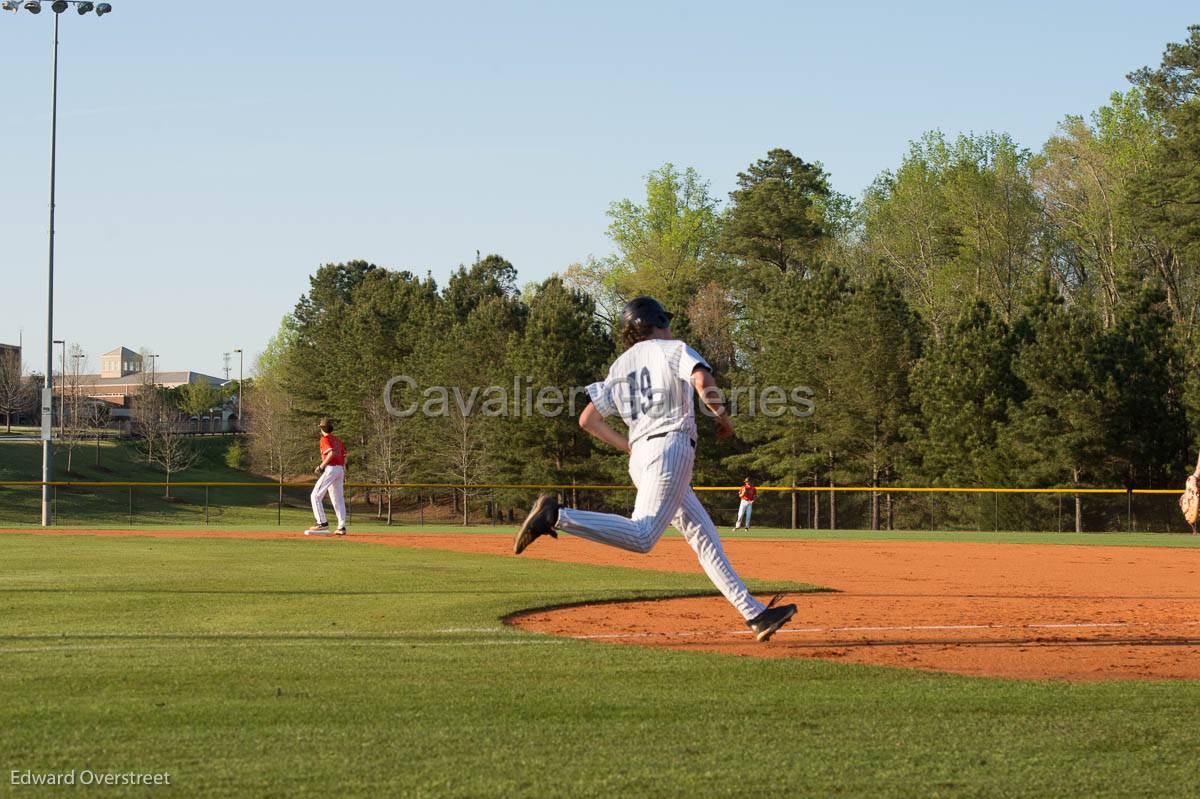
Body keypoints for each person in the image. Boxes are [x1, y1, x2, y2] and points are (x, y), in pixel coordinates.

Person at [514, 296, 796, 642]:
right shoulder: (672, 348)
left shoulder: (619, 367)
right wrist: (721, 416)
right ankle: (556, 517)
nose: (671, 326)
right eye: (667, 320)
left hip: (644, 457)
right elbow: (702, 381)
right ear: (657, 320)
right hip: (671, 447)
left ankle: (755, 615)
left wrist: (630, 445)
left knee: (704, 537)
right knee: (644, 536)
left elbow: (588, 420)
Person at [306, 417, 347, 536]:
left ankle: (322, 523)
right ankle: (341, 527)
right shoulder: (338, 440)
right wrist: (342, 471)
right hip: (339, 469)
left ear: (322, 428)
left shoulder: (325, 439)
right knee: (338, 499)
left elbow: (332, 453)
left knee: (315, 495)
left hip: (331, 468)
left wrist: (321, 466)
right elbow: (344, 456)